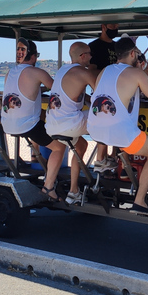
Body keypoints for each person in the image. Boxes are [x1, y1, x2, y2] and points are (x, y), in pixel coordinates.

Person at [87, 37, 148, 214]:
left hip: (95, 129)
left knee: (127, 139)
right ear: (133, 53)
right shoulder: (136, 73)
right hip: (119, 132)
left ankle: (126, 170)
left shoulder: (104, 71)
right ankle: (140, 201)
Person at [1, 38, 68, 203]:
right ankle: (49, 187)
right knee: (59, 148)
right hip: (26, 125)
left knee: (40, 122)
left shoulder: (10, 72)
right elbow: (56, 89)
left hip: (7, 123)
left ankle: (37, 157)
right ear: (33, 56)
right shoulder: (37, 72)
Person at [45, 42, 98, 204]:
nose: (91, 56)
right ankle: (104, 159)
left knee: (81, 145)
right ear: (83, 56)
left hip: (52, 124)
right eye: (89, 53)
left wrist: (89, 102)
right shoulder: (84, 72)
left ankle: (73, 191)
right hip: (69, 124)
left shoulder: (62, 70)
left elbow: (74, 96)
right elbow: (104, 94)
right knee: (105, 118)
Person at [88, 23, 119, 171]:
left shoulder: (117, 46)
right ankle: (101, 158)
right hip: (102, 91)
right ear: (103, 26)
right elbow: (91, 70)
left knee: (115, 123)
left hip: (118, 91)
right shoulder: (94, 46)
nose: (115, 28)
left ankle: (113, 156)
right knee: (104, 121)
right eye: (112, 25)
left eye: (117, 25)